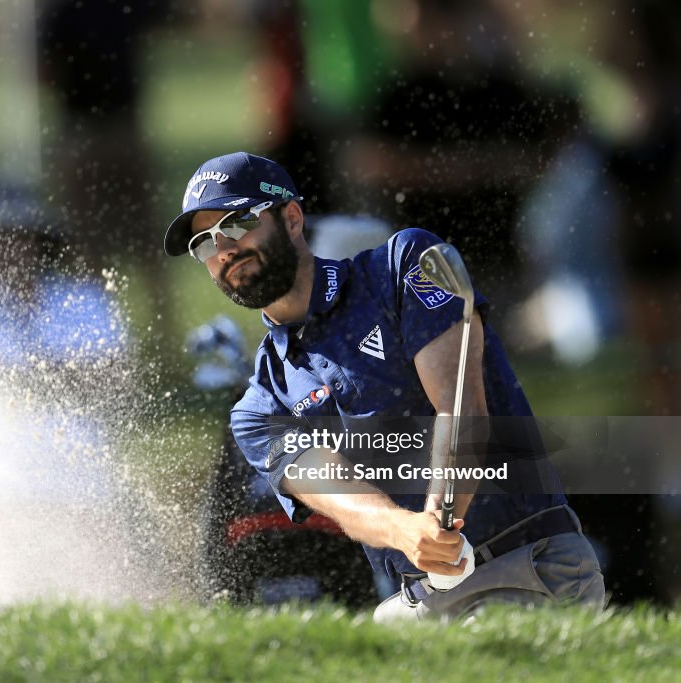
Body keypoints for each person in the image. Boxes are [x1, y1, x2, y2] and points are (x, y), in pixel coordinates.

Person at [163, 151, 604, 621]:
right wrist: (406, 531)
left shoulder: (399, 268)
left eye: (233, 226)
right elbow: (342, 498)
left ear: (291, 218)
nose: (223, 250)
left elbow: (462, 407)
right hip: (414, 600)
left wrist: (441, 516)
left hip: (522, 563)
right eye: (204, 246)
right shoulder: (257, 408)